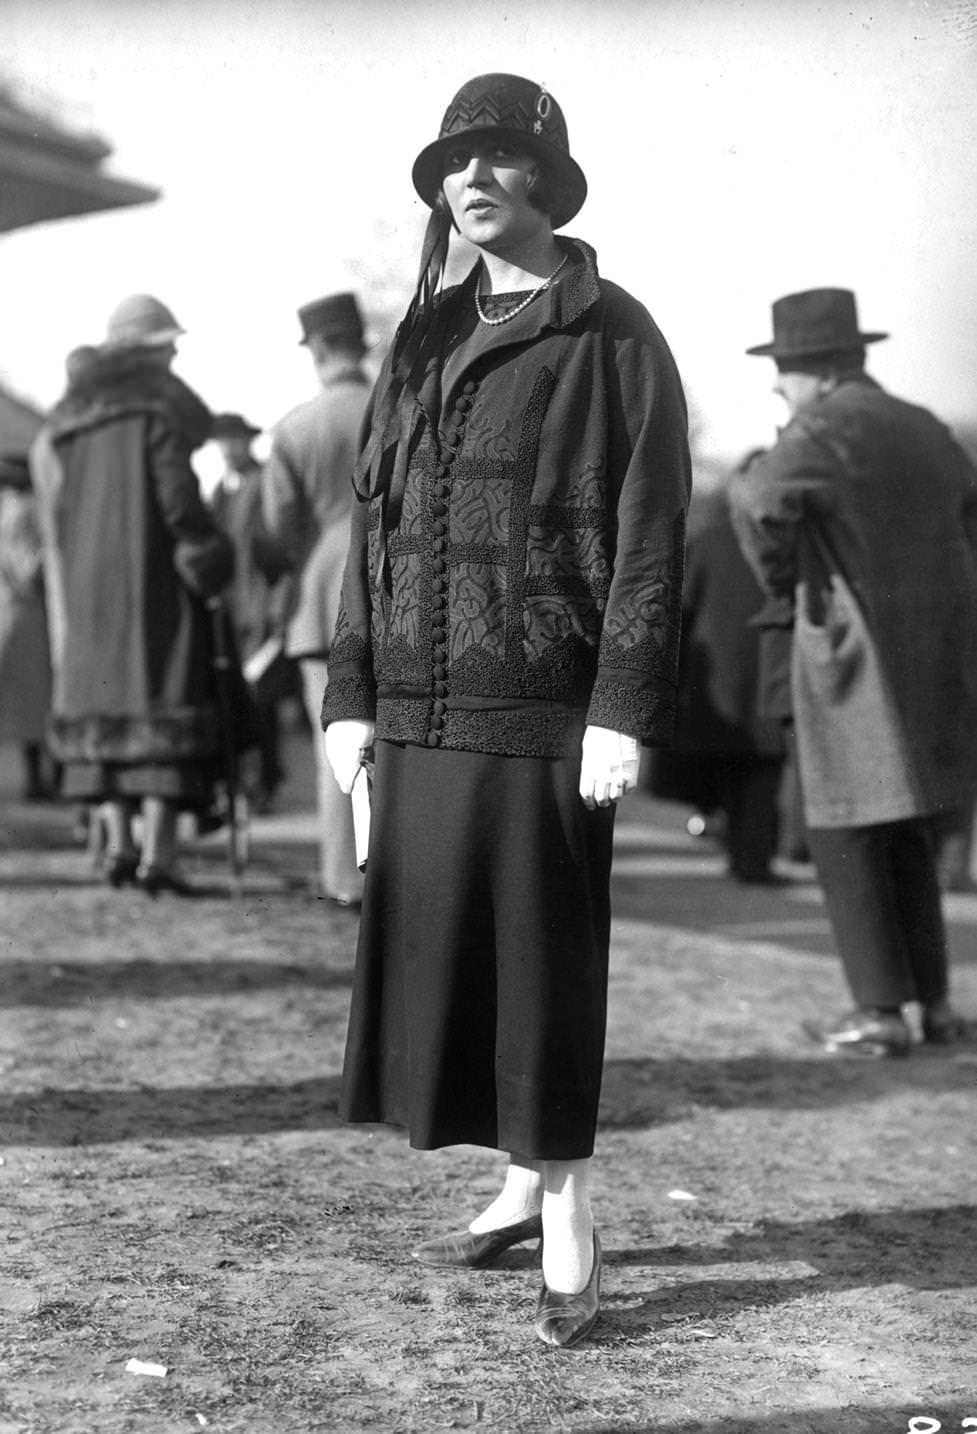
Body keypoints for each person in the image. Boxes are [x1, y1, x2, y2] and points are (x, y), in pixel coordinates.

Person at [322, 73, 690, 1347]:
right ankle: (518, 1184)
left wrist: (618, 707)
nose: (470, 180)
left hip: (544, 712)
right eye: (452, 165)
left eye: (497, 160)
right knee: (452, 971)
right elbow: (373, 526)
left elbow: (648, 542)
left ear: (547, 181)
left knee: (541, 967)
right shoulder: (419, 337)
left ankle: (572, 1211)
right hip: (419, 716)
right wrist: (348, 697)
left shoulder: (616, 338)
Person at [730, 287, 977, 1057]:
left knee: (842, 829)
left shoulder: (821, 428)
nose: (777, 384)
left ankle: (875, 1013)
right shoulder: (927, 428)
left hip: (847, 662)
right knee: (906, 831)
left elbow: (757, 500)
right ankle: (933, 1008)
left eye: (785, 369)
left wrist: (785, 586)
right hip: (932, 655)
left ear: (822, 369)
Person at [30, 294, 233, 894]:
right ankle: (159, 858)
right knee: (162, 702)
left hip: (89, 586)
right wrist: (207, 557)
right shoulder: (160, 409)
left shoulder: (67, 420)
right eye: (166, 343)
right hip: (152, 580)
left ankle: (119, 848)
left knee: (101, 715)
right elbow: (177, 500)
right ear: (146, 351)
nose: (174, 353)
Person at [262, 293, 371, 905]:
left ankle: (341, 880)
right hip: (398, 587)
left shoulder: (296, 427)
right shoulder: (402, 406)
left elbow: (279, 532)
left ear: (321, 349)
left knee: (337, 740)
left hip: (321, 598)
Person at [647, 462, 786, 883]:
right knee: (761, 772)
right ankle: (751, 857)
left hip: (722, 683)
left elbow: (681, 609)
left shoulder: (708, 541)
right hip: (768, 677)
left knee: (727, 766)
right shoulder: (788, 543)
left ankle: (728, 837)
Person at [210, 412, 290, 812]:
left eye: (234, 440)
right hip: (228, 608)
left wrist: (274, 604)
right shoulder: (220, 491)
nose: (228, 449)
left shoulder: (264, 484)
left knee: (262, 697)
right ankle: (238, 781)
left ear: (247, 442)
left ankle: (265, 781)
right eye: (222, 441)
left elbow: (277, 545)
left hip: (258, 604)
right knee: (232, 698)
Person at [0, 452, 55, 800]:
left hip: (16, 611)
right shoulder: (21, 511)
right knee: (35, 701)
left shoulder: (10, 509)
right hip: (27, 612)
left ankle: (38, 777)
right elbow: (28, 572)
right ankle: (38, 779)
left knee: (29, 702)